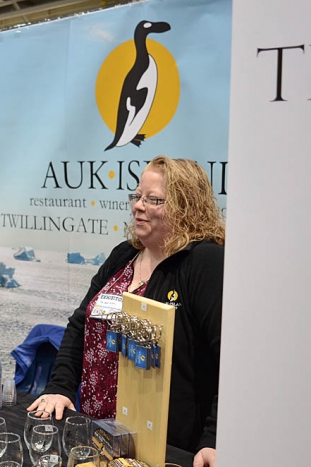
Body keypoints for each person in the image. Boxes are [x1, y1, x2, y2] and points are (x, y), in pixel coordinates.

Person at [27, 156, 224, 467]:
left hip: (165, 449)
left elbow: (229, 361)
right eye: (137, 196)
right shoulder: (125, 254)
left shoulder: (204, 261)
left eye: (153, 199)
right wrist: (60, 387)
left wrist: (213, 439)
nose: (138, 206)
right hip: (99, 435)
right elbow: (80, 324)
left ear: (185, 206)